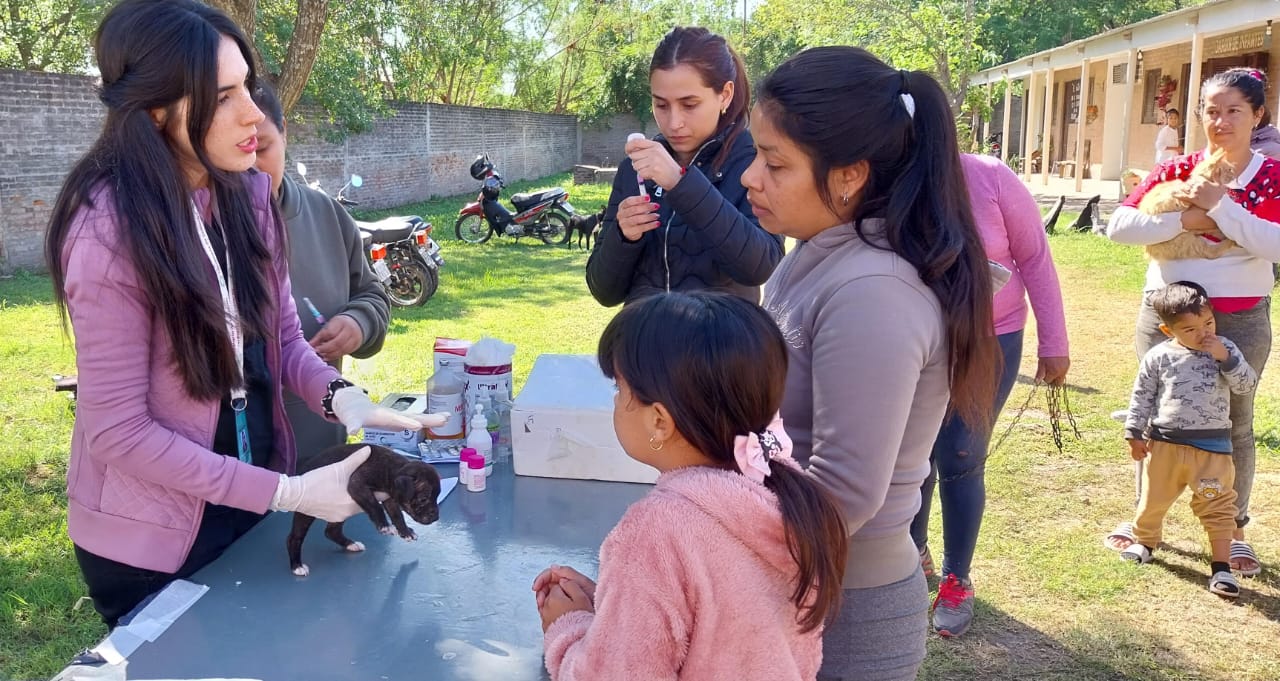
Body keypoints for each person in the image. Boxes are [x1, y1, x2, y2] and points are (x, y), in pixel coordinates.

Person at [44, 0, 438, 627]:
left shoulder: (248, 194)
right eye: (224, 95)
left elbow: (282, 338)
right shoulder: (107, 230)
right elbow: (116, 431)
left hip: (252, 494)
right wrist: (284, 492)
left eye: (247, 86)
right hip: (151, 535)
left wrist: (342, 398)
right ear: (155, 109)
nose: (254, 113)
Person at [745, 47, 999, 680]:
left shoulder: (873, 290)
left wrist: (696, 535)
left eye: (775, 163)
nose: (752, 177)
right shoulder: (821, 256)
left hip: (844, 611)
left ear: (850, 175)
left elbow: (844, 494)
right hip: (802, 584)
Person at [531, 291, 848, 680]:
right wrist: (614, 608)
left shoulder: (656, 533)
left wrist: (570, 628)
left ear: (659, 421)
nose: (614, 402)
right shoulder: (784, 493)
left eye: (620, 390)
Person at [1106, 67, 1280, 577]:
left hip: (1238, 318)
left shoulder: (1270, 175)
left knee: (1237, 424)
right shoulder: (1176, 169)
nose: (1220, 121)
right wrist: (1188, 219)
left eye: (1234, 111)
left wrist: (1221, 209)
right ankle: (1145, 525)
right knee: (1159, 417)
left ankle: (1236, 529)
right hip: (1164, 314)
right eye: (1211, 110)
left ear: (1257, 116)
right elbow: (1120, 227)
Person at [909, 152, 1071, 638]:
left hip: (991, 338)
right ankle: (911, 557)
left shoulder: (991, 177)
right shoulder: (891, 175)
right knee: (911, 454)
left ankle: (958, 578)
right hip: (918, 337)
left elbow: (1034, 257)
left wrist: (1054, 341)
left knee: (961, 451)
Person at [585, 26, 782, 306]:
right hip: (642, 342)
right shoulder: (636, 168)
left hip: (721, 345)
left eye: (689, 105)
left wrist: (681, 184)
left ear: (725, 95)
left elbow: (762, 266)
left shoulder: (752, 160)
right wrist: (623, 236)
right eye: (661, 105)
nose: (674, 123)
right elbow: (603, 292)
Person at [252, 83, 391, 466]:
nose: (250, 167)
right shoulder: (199, 229)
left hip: (320, 440)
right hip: (231, 463)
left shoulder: (327, 215)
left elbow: (372, 294)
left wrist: (358, 322)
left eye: (262, 147)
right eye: (236, 150)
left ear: (285, 135)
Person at [1119, 281, 1257, 598]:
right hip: (1165, 444)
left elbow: (1246, 386)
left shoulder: (1225, 349)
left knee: (1218, 506)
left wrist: (1227, 359)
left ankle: (1221, 567)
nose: (1204, 333)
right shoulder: (1158, 357)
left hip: (1212, 450)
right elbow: (1141, 396)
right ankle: (1146, 542)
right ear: (1170, 331)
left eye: (1208, 322)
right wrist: (1134, 432)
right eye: (1191, 329)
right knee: (1153, 499)